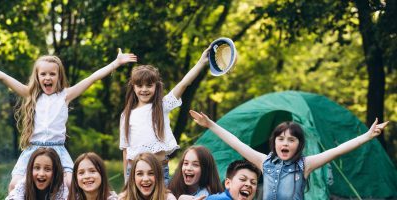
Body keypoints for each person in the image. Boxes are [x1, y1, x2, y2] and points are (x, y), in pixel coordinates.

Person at [0, 49, 137, 192]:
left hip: (57, 150)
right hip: (33, 149)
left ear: (59, 76)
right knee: (15, 186)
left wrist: (116, 62)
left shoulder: (66, 95)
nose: (48, 78)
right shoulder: (30, 94)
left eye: (52, 74)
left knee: (68, 183)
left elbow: (93, 77)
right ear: (38, 77)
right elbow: (3, 77)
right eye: (43, 74)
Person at [190, 110, 389, 199]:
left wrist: (367, 136)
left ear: (298, 145)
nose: (285, 143)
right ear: (274, 142)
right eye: (281, 139)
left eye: (291, 140)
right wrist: (210, 124)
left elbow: (336, 150)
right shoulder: (265, 162)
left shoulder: (305, 164)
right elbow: (236, 142)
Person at [119, 46, 211, 184]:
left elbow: (184, 83)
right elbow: (126, 150)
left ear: (156, 86)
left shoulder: (162, 106)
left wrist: (201, 62)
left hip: (159, 171)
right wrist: (127, 180)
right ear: (133, 87)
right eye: (140, 85)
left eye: (149, 85)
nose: (144, 89)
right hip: (134, 172)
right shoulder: (126, 115)